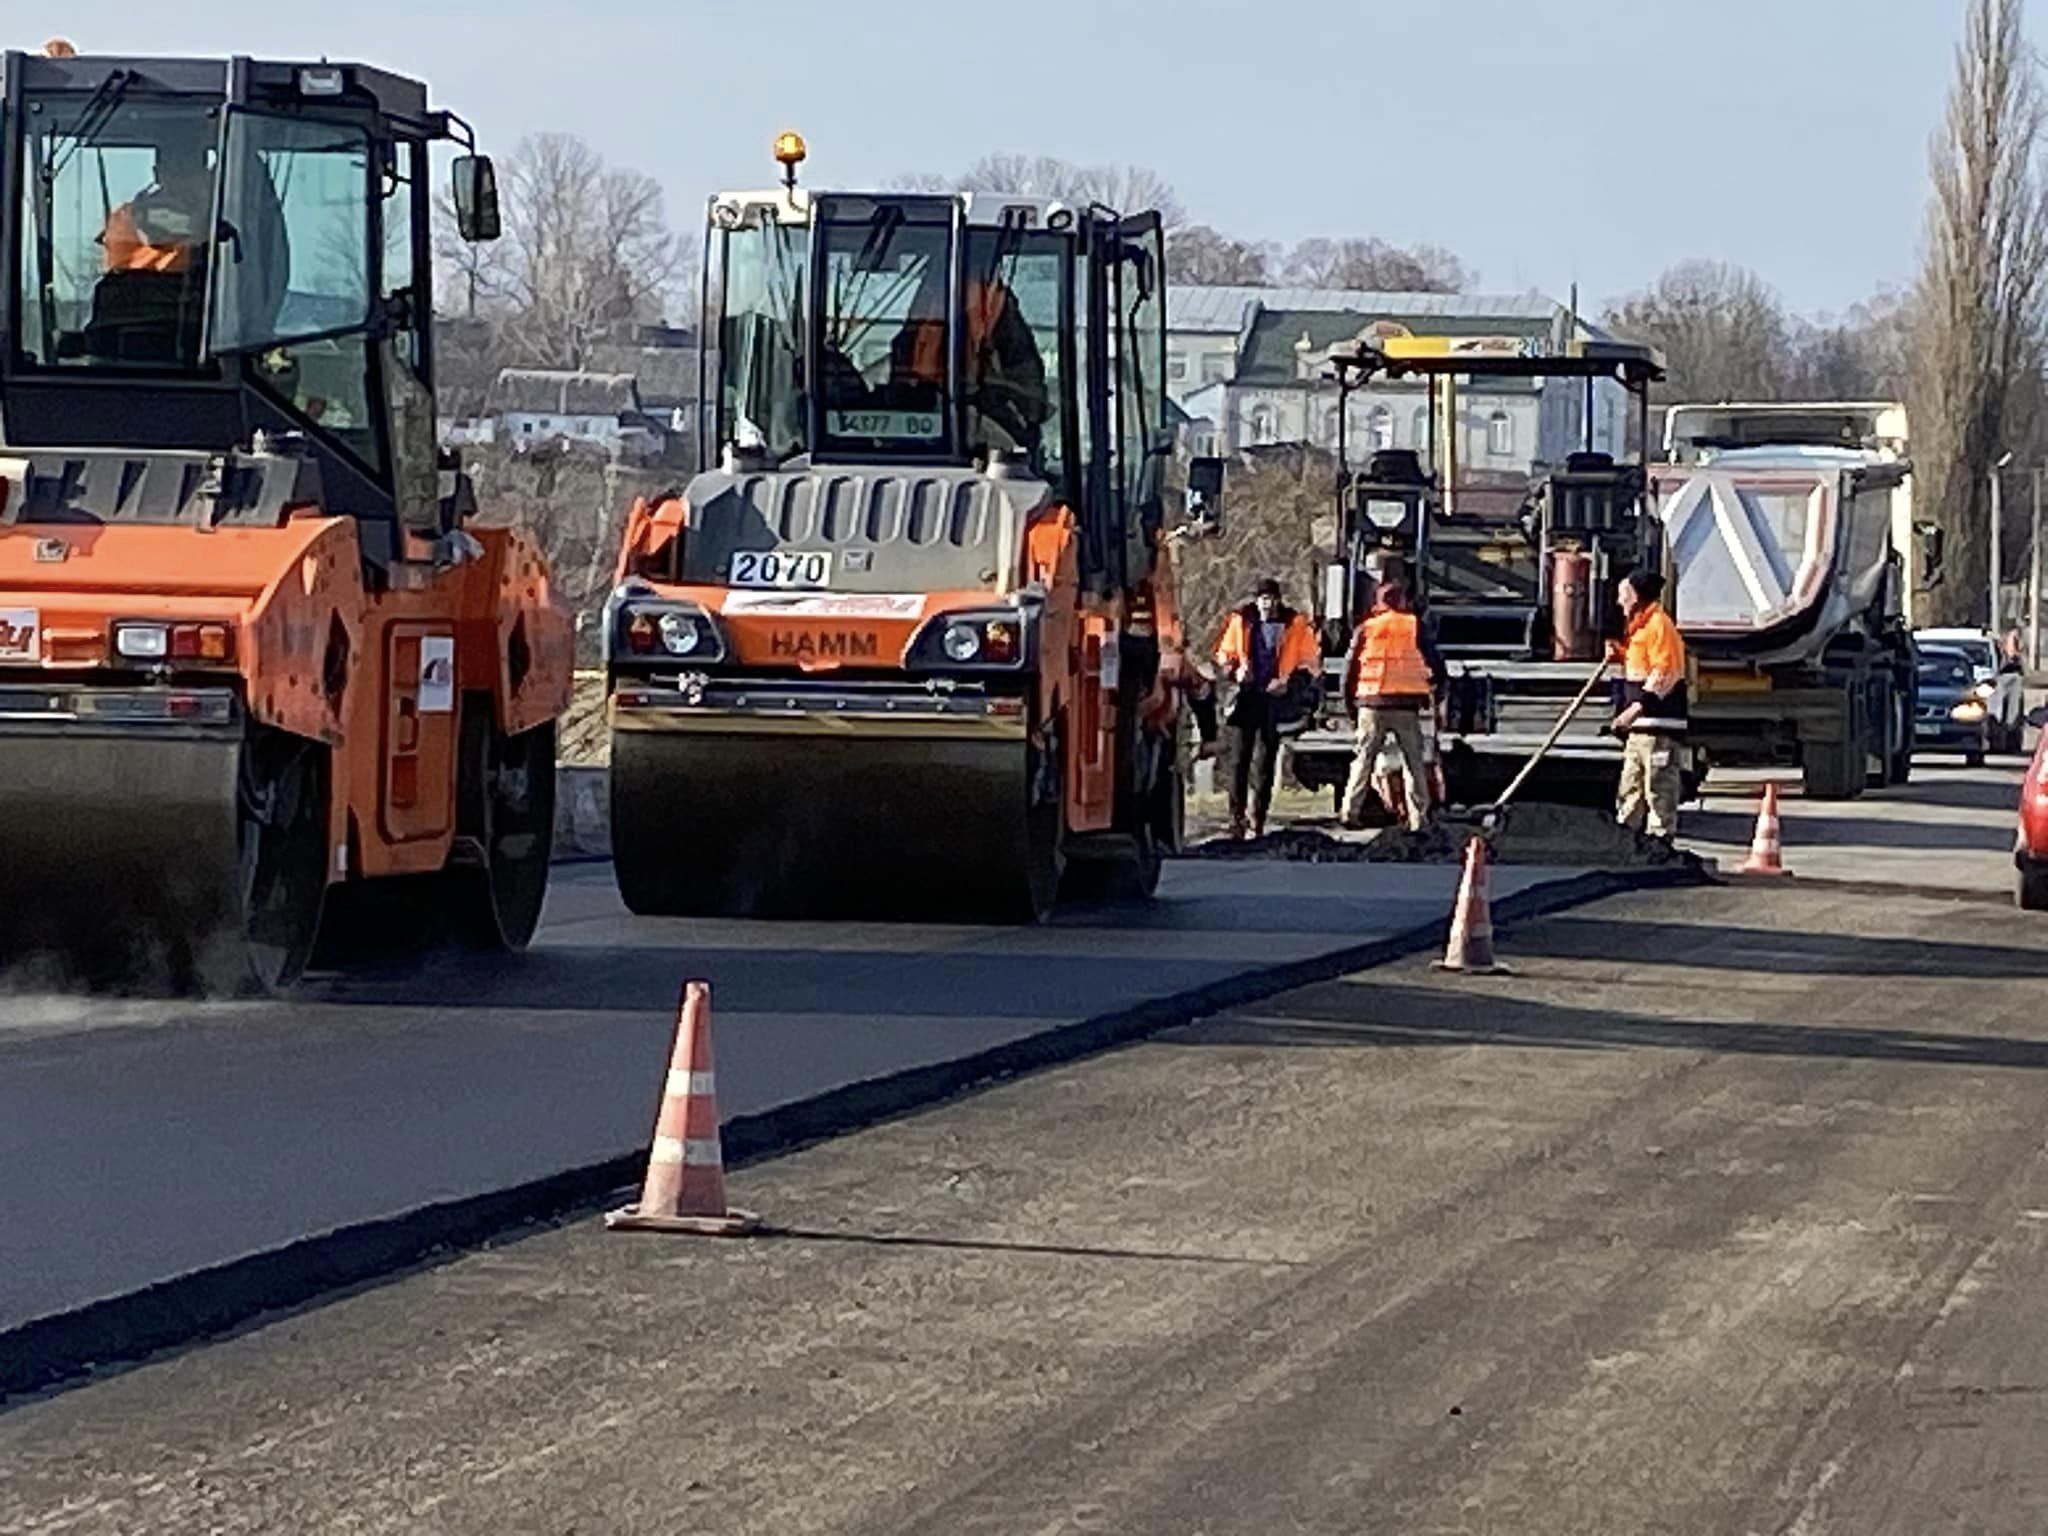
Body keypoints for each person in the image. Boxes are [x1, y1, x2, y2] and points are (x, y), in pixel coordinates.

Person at [1214, 576, 1319, 839]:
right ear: (1256, 600)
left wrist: (1289, 684)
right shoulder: (1241, 621)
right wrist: (1235, 672)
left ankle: (1257, 817)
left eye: (1271, 598)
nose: (1267, 604)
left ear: (1278, 600)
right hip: (1245, 698)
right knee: (1238, 760)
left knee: (1265, 761)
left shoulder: (1295, 624)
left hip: (1275, 700)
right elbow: (1224, 655)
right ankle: (1235, 817)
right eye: (1263, 598)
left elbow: (1309, 663)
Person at [1340, 583, 1437, 833]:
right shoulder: (1414, 626)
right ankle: (1418, 818)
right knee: (1413, 763)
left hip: (1370, 705)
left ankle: (1349, 812)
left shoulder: (1366, 629)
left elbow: (1349, 671)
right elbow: (1435, 661)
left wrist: (1350, 706)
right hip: (1406, 706)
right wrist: (1438, 693)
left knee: (1363, 759)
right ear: (1403, 600)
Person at [1611, 568, 1689, 841]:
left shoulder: (1659, 625)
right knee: (1630, 788)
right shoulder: (1640, 628)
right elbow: (1641, 668)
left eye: (1624, 595)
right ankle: (1626, 841)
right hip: (1640, 729)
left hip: (1658, 727)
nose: (1619, 601)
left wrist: (1635, 709)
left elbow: (1664, 672)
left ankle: (1659, 843)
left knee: (1658, 788)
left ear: (1638, 596)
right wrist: (1619, 655)